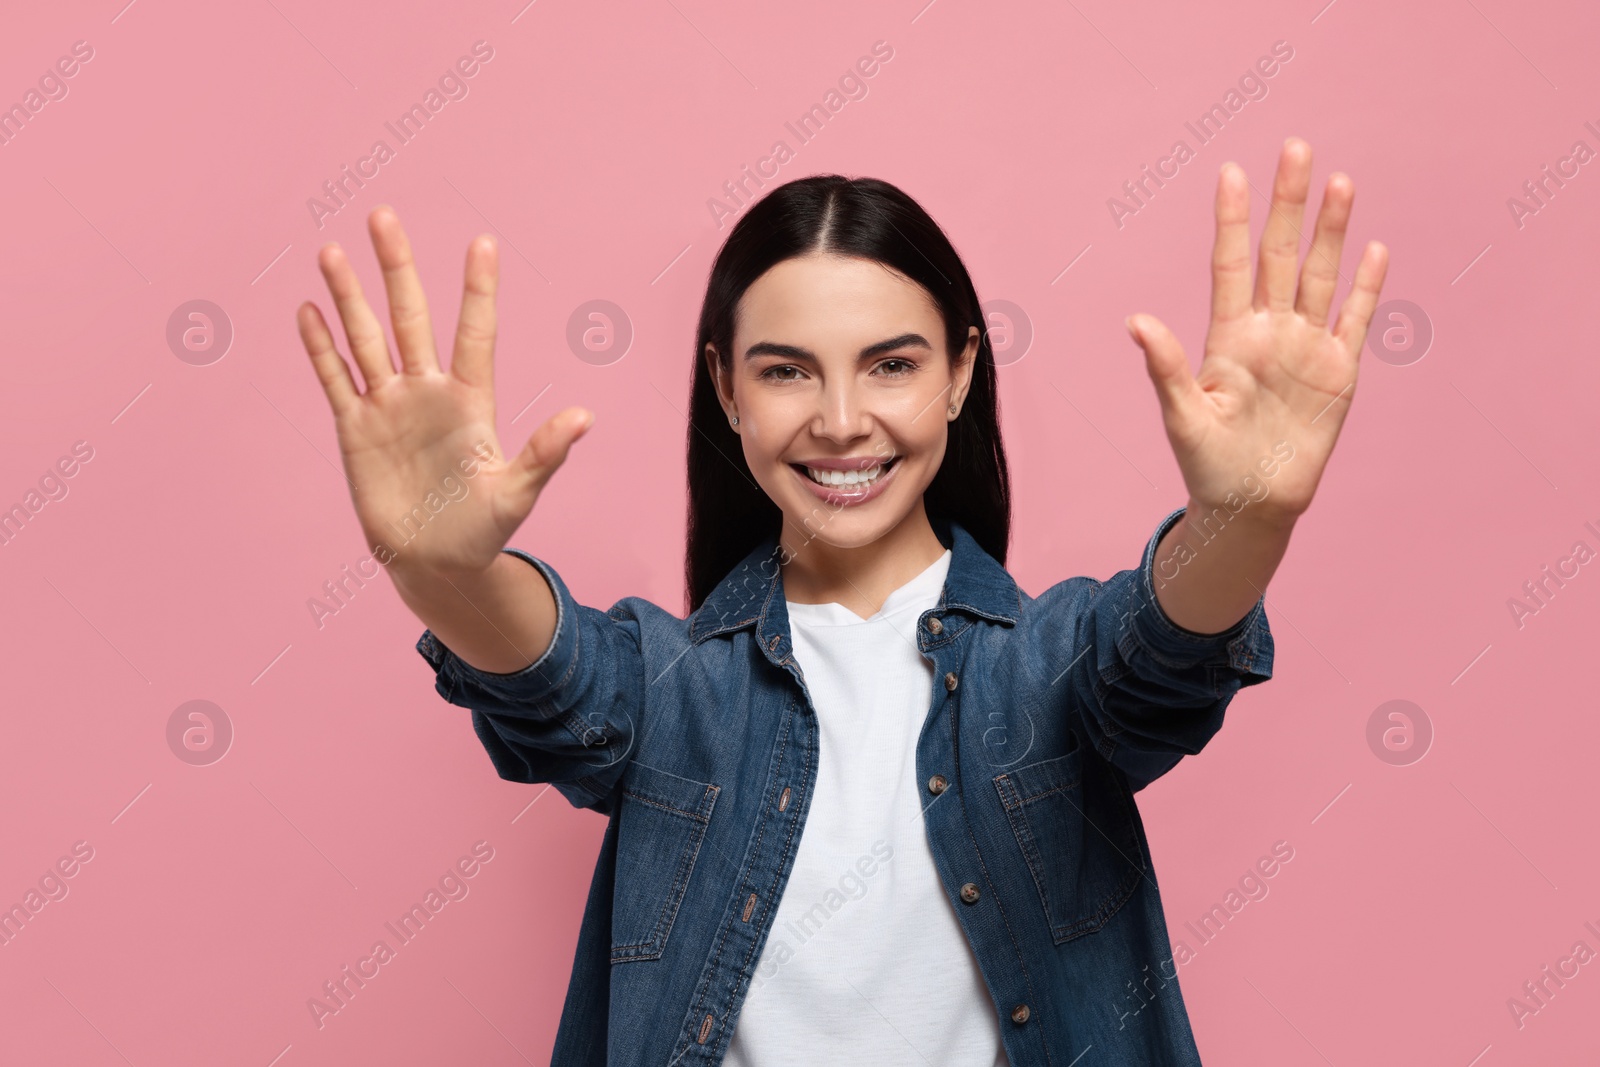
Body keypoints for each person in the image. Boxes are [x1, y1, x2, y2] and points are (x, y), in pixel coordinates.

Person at [294, 137, 1388, 1066]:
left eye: (890, 364)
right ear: (726, 389)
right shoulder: (674, 690)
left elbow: (1162, 652)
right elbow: (549, 675)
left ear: (959, 372)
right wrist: (438, 569)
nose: (839, 418)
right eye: (785, 372)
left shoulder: (1045, 667)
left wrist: (1247, 514)